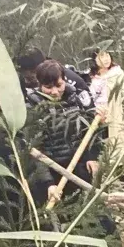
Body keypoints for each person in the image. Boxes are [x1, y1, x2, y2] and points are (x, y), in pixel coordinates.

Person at [31, 60, 102, 208]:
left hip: (77, 167)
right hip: (52, 171)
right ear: (39, 84)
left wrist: (91, 157)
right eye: (48, 87)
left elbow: (86, 131)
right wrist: (48, 183)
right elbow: (35, 151)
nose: (55, 92)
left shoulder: (74, 99)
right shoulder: (33, 107)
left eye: (59, 85)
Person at [89, 50, 124, 177]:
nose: (105, 59)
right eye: (101, 56)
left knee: (119, 157)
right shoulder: (90, 78)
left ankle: (122, 188)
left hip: (116, 121)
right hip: (97, 124)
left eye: (107, 55)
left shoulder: (118, 74)